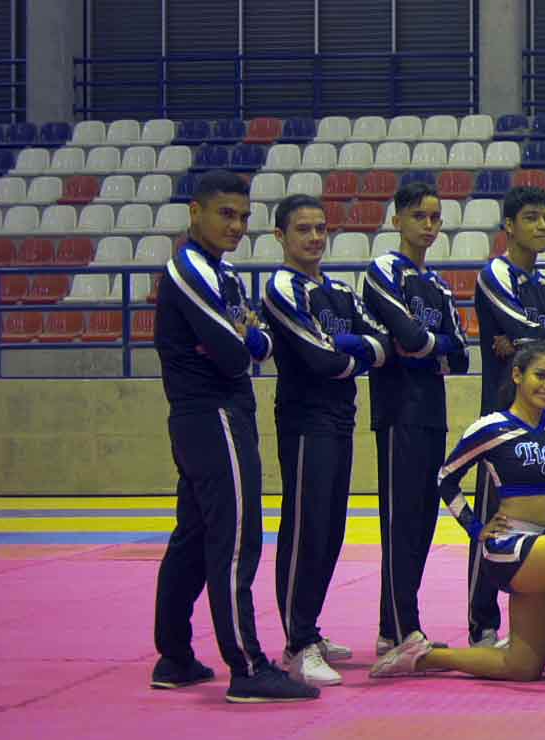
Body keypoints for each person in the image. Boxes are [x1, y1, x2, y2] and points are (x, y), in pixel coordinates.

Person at [370, 343, 545, 692]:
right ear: (517, 375)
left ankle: (424, 656)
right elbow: (445, 477)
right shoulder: (491, 427)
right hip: (513, 547)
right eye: (540, 376)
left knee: (522, 666)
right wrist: (476, 529)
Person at [149, 169, 316, 703]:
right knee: (236, 538)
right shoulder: (190, 270)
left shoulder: (223, 274)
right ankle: (246, 666)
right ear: (194, 211)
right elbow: (234, 350)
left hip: (213, 411)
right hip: (212, 413)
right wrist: (245, 339)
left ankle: (174, 656)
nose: (237, 226)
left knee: (196, 537)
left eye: (244, 217)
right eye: (225, 214)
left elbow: (255, 340)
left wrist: (248, 339)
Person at [261, 193, 385, 687]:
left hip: (340, 416)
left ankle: (309, 625)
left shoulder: (338, 290)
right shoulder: (282, 287)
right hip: (305, 419)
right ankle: (295, 642)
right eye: (303, 230)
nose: (314, 238)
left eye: (320, 229)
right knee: (304, 525)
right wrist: (352, 351)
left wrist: (353, 349)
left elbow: (380, 341)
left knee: (332, 526)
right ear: (281, 236)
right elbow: (320, 358)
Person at [468, 185, 545, 647]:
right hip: (503, 417)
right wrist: (536, 338)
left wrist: (531, 340)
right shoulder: (494, 273)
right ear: (509, 226)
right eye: (532, 218)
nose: (542, 227)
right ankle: (483, 623)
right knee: (494, 517)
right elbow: (526, 331)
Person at [360, 181, 470, 656]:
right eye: (419, 217)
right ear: (397, 219)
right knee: (399, 520)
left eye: (435, 218)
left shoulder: (439, 284)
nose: (428, 226)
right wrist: (431, 346)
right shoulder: (385, 270)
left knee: (424, 520)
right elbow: (406, 335)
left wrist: (426, 348)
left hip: (431, 410)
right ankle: (400, 628)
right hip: (398, 409)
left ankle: (399, 626)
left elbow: (462, 354)